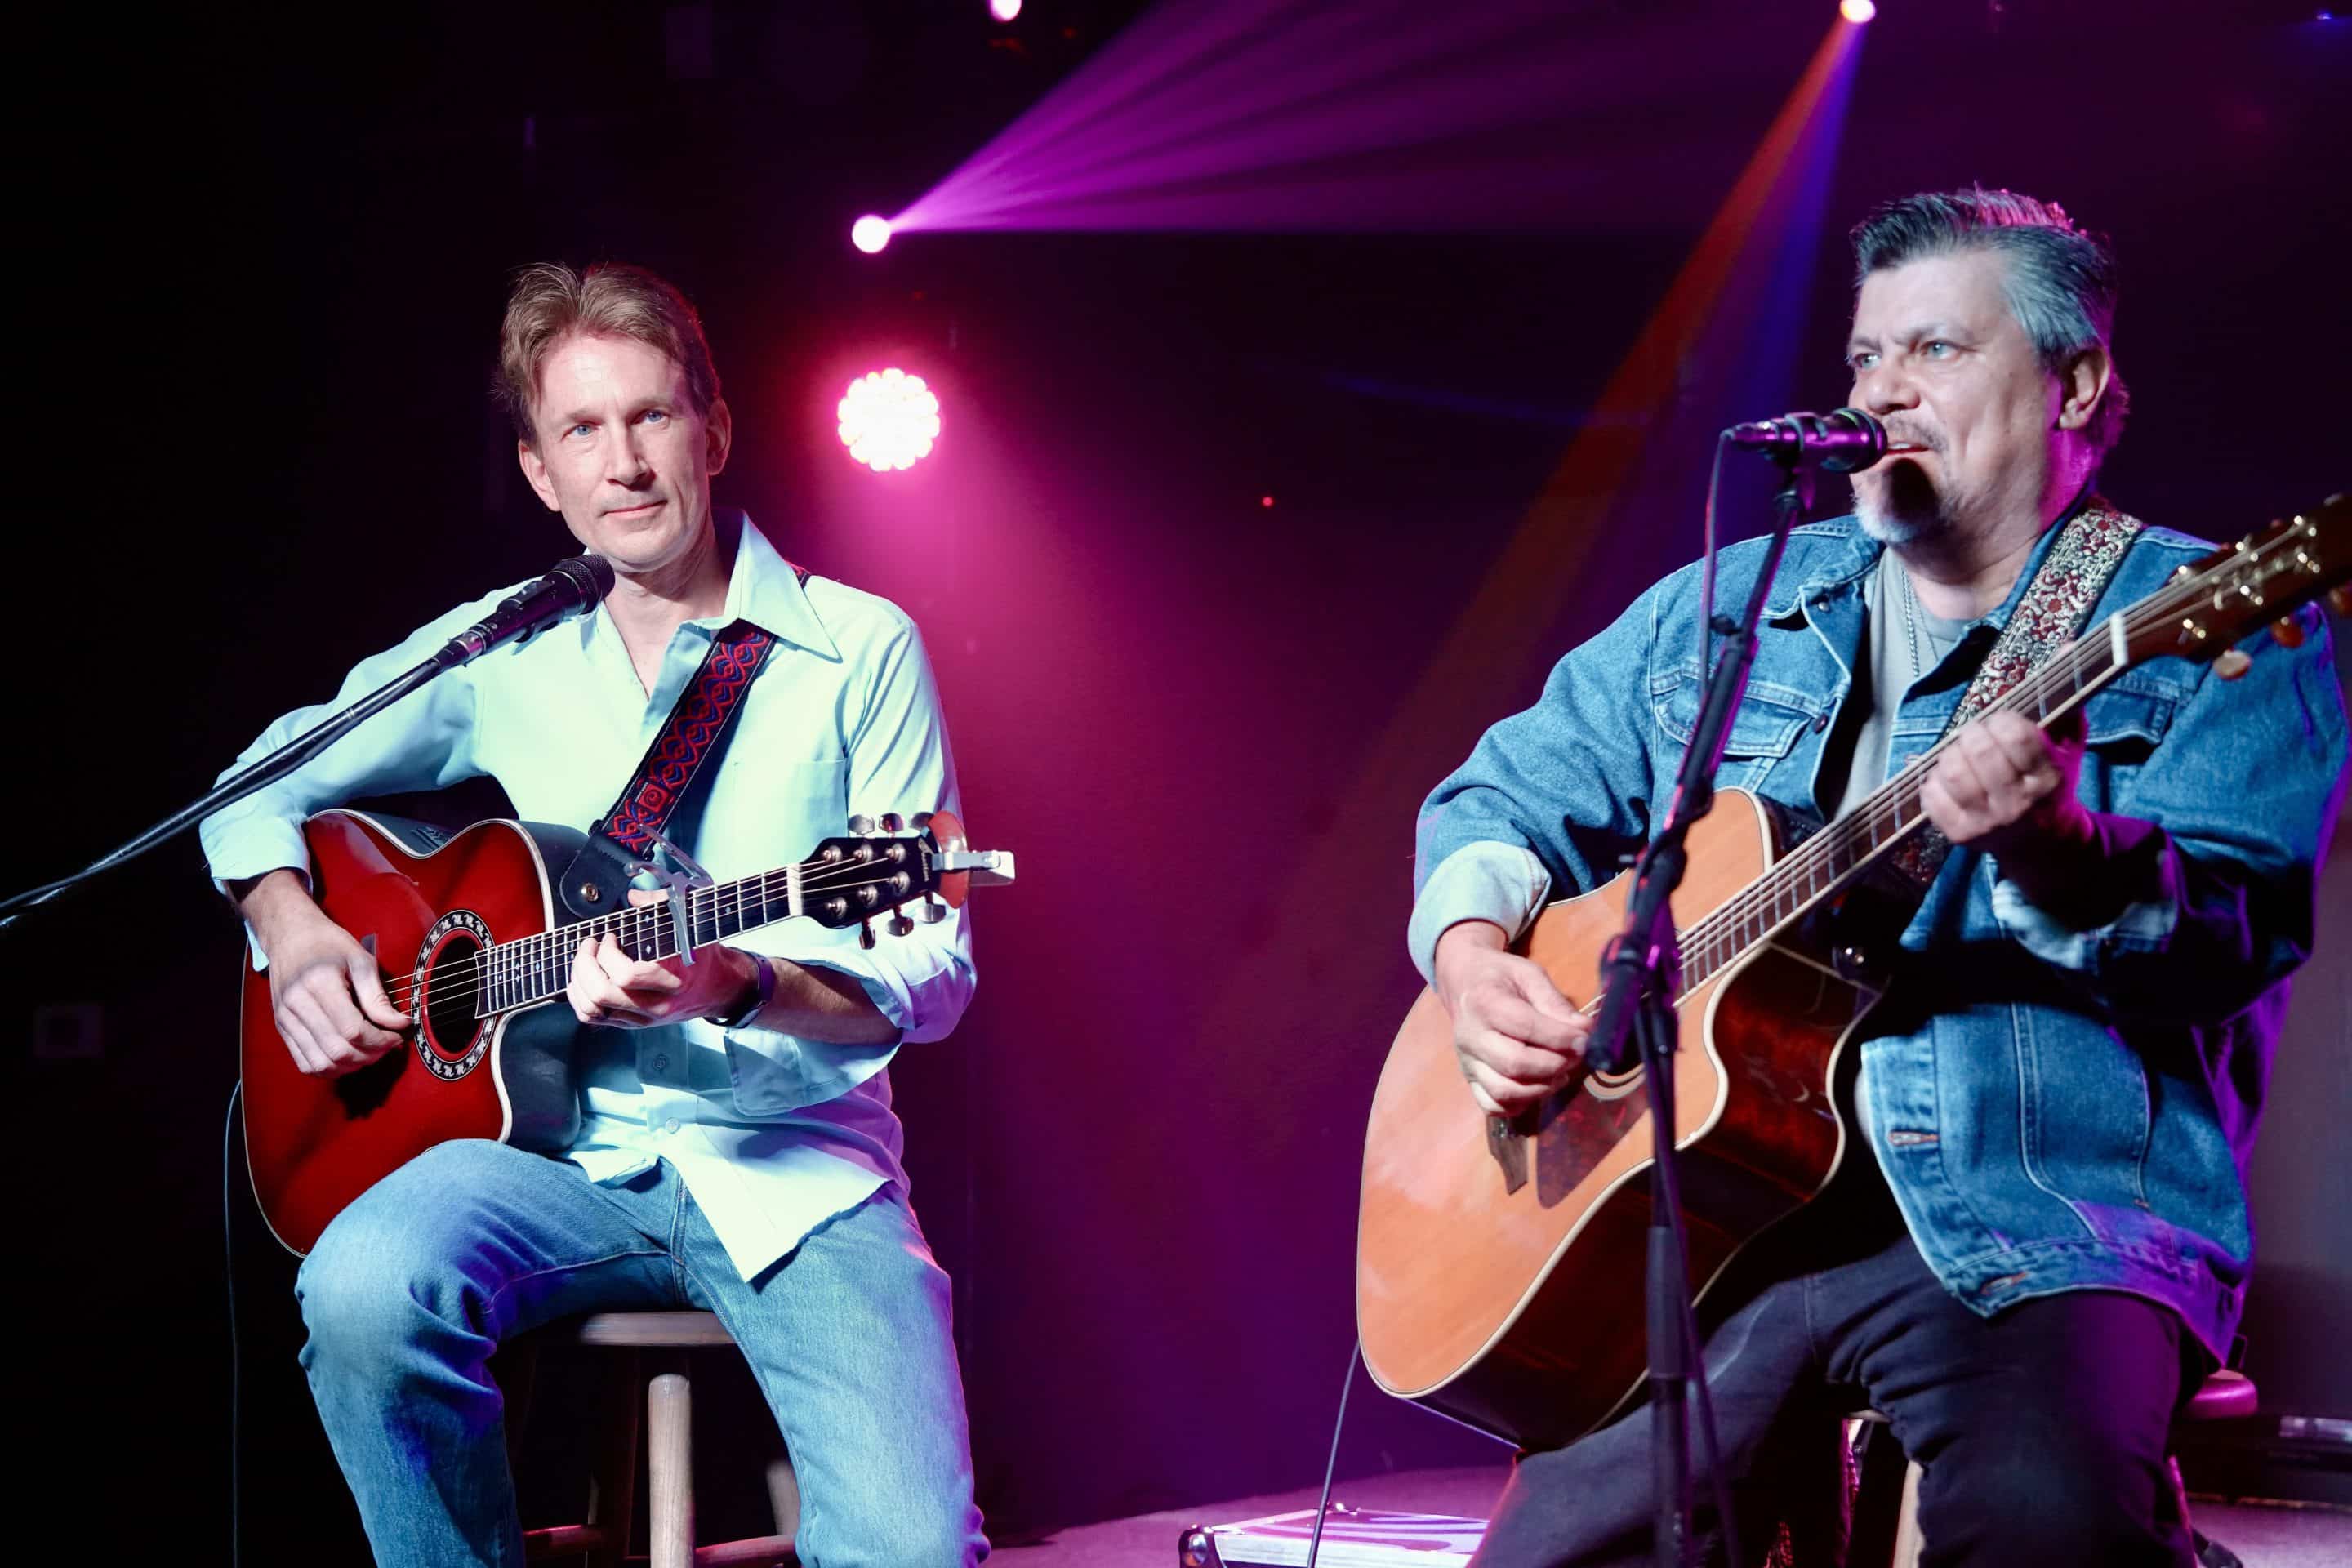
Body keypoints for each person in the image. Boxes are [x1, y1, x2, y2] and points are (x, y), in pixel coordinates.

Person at [1409, 188, 2346, 1566]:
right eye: (1865, 356)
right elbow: (1497, 797)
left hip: (2032, 1216)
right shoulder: (1729, 606)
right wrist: (1475, 960)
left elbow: (2227, 936)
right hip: (1719, 1219)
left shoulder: (2211, 626)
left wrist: (2056, 847)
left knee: (2043, 1528)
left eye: (1935, 351)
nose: (1879, 393)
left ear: (2077, 383)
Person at [202, 262, 989, 1566]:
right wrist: (290, 927)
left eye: (651, 416)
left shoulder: (860, 649)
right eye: (581, 430)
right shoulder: (496, 654)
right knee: (359, 1288)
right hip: (553, 1161)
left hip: (795, 1169)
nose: (622, 464)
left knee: (911, 1550)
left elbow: (934, 975)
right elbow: (257, 780)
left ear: (713, 432)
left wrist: (735, 980)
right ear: (540, 471)